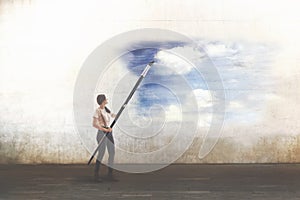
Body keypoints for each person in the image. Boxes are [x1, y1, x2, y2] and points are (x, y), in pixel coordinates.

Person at [92, 94, 117, 182]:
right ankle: (96, 175)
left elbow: (113, 115)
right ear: (103, 101)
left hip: (109, 133)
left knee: (112, 152)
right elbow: (95, 124)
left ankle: (110, 174)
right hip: (102, 133)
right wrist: (105, 129)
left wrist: (118, 114)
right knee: (101, 154)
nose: (107, 99)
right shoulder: (97, 111)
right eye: (106, 99)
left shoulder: (106, 109)